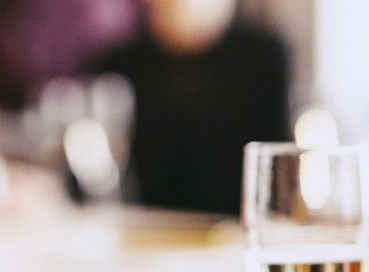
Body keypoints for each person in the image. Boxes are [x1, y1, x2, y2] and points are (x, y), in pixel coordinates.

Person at [94, 0, 291, 215]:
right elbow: (93, 178)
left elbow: (278, 172)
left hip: (235, 234)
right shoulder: (118, 66)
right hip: (138, 235)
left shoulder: (263, 59)